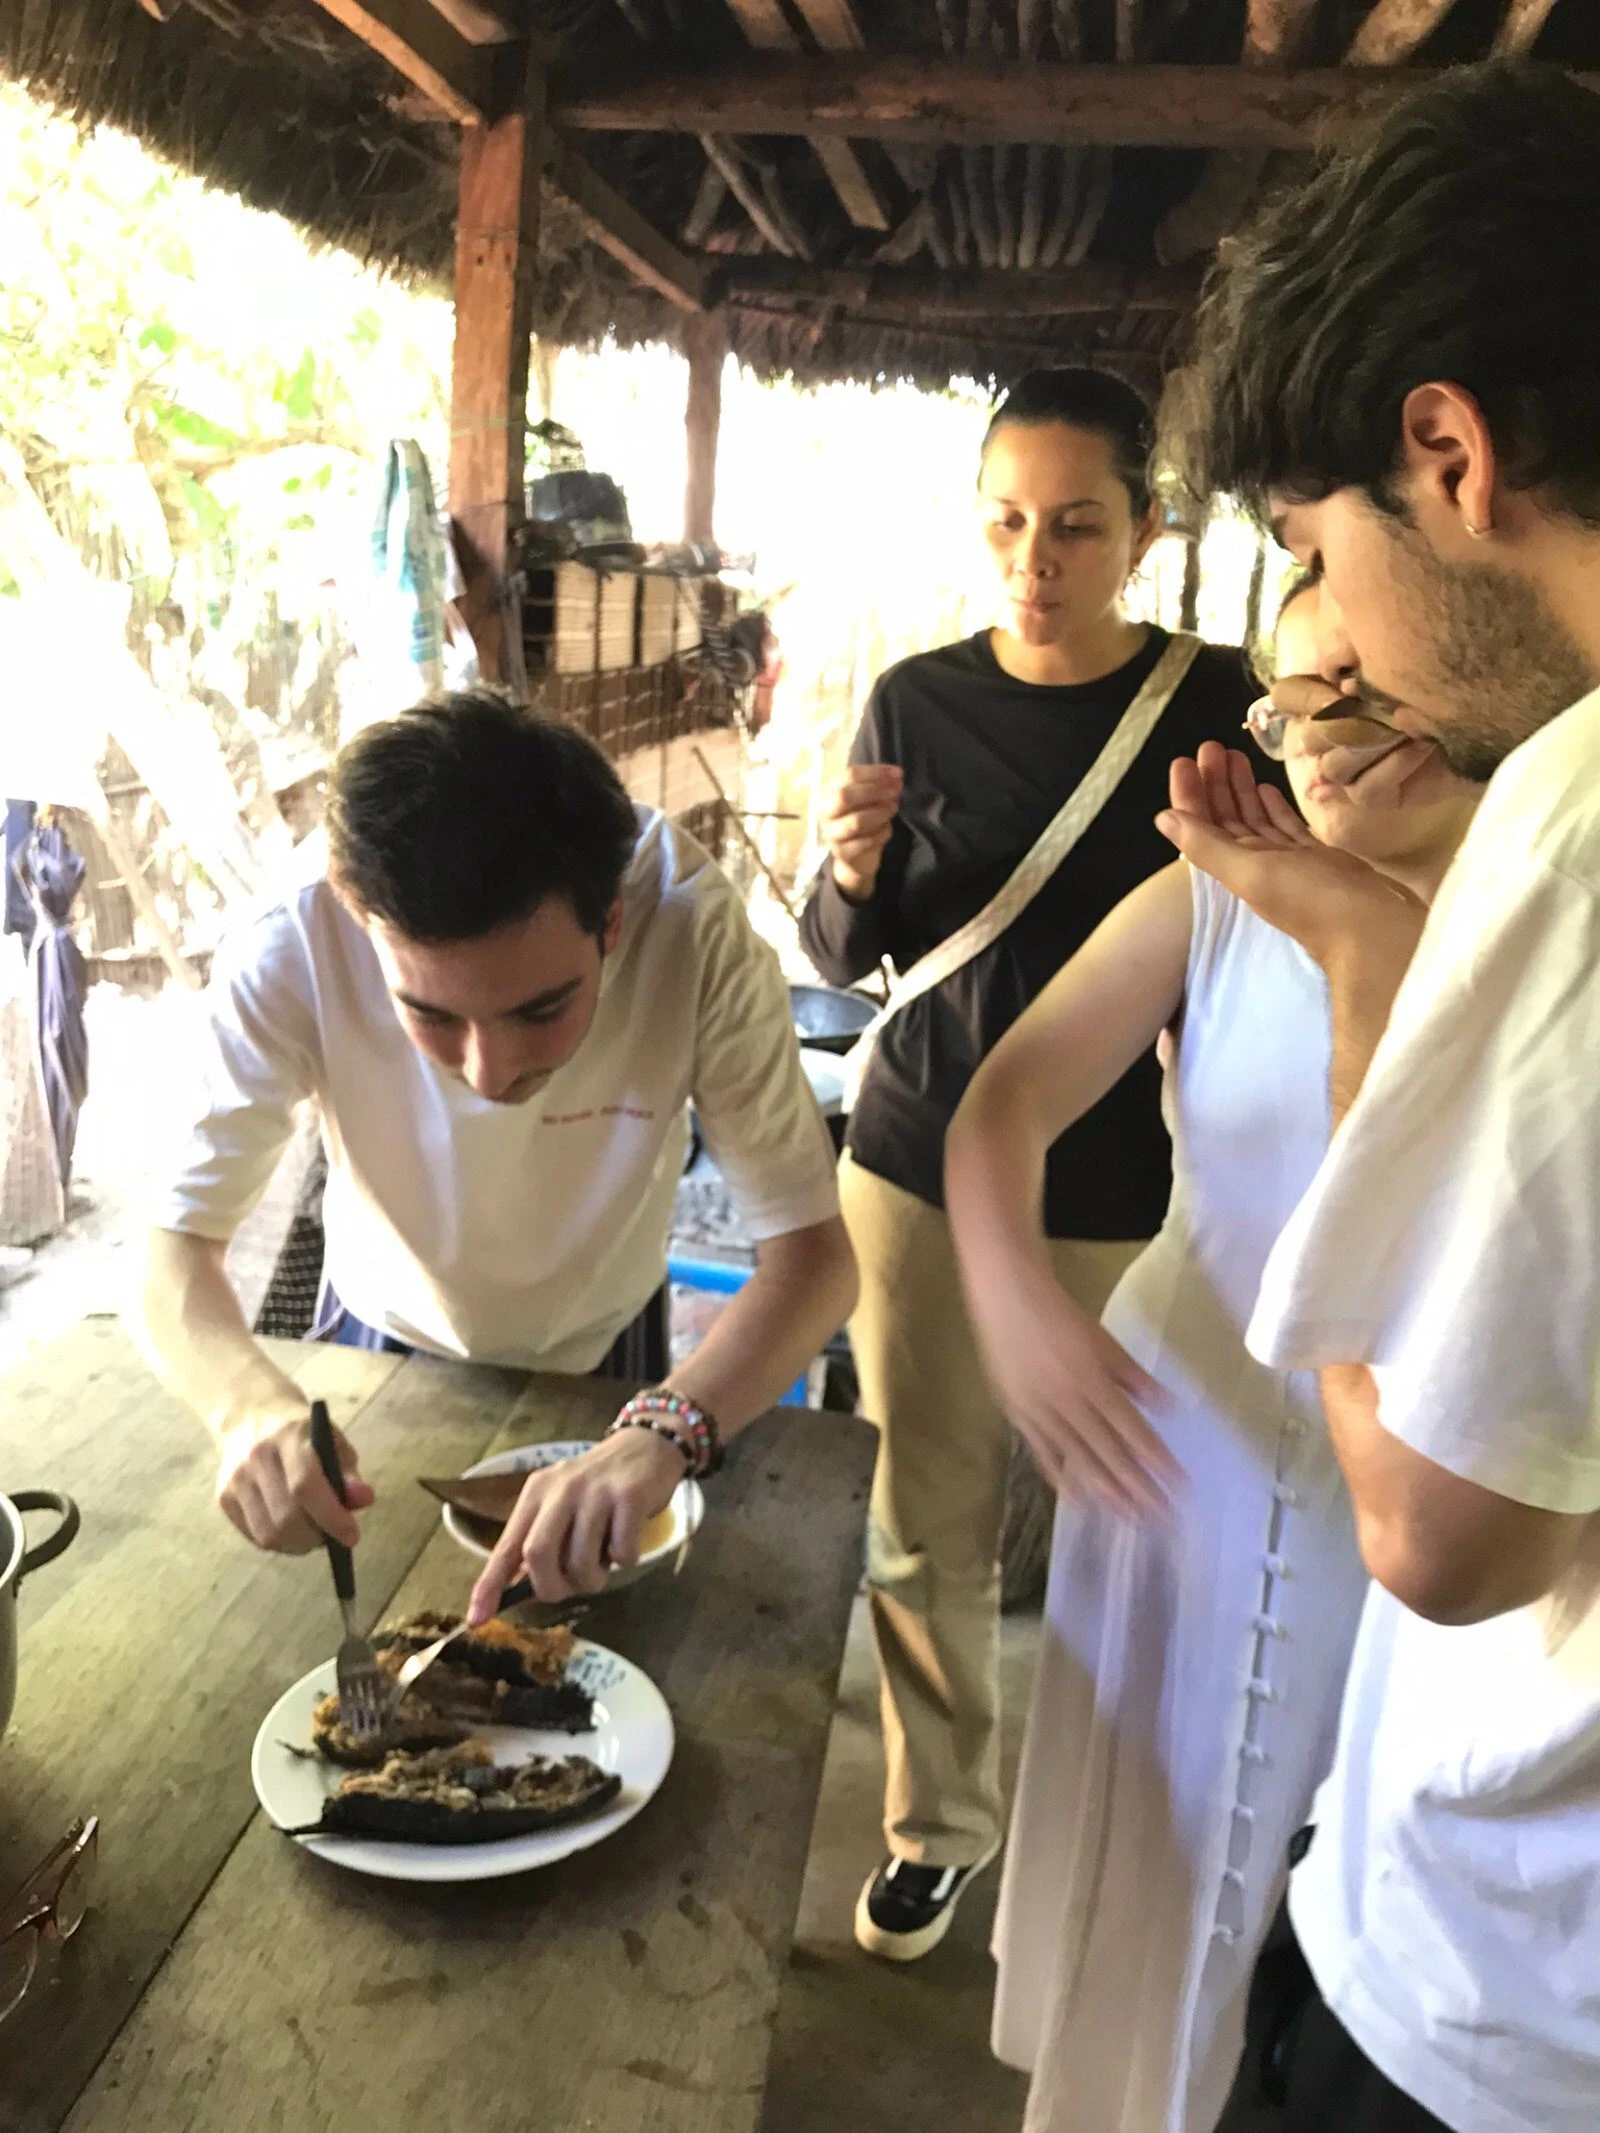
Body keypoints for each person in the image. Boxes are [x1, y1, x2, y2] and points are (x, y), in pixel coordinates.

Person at [1145, 61, 1600, 2133]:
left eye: (1315, 542)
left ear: (1448, 451)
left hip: (1498, 1986)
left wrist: (1350, 961)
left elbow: (1437, 1522)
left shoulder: (1571, 820)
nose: (1340, 644)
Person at [945, 575, 1480, 2133]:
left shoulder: (1522, 928)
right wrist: (1016, 1297)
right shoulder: (1217, 894)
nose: (1322, 735)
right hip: (1174, 1435)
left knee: (1295, 1866)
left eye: (1355, 686)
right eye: (1289, 700)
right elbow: (1003, 1104)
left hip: (1393, 1482)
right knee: (1152, 1832)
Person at [798, 367, 1273, 1962]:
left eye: (1075, 525)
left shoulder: (1222, 703)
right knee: (920, 1514)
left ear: (1147, 530)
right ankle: (937, 1827)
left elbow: (1254, 949)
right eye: (1007, 521)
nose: (1035, 560)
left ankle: (1124, 1837)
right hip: (916, 1164)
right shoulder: (914, 699)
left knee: (1140, 1527)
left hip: (1124, 1188)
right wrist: (846, 874)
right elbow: (849, 955)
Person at [137, 692, 856, 1612]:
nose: (490, 1070)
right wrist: (244, 1405)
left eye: (542, 1008)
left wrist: (663, 1432)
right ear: (358, 918)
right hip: (380, 1337)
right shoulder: (293, 939)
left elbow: (813, 1258)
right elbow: (169, 1246)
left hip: (610, 1342)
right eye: (429, 1013)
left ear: (612, 922)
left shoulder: (693, 927)